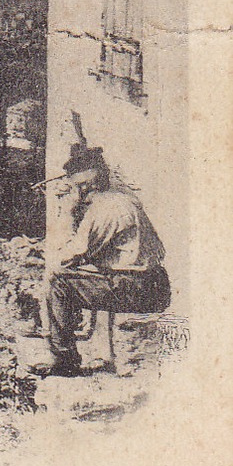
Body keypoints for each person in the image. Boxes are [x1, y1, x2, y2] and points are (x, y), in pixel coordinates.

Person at [36, 146, 170, 377]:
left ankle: (64, 358)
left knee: (58, 282)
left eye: (71, 188)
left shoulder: (104, 209)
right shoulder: (123, 200)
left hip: (136, 288)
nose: (69, 193)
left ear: (82, 188)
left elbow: (67, 259)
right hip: (151, 282)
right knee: (73, 278)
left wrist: (66, 213)